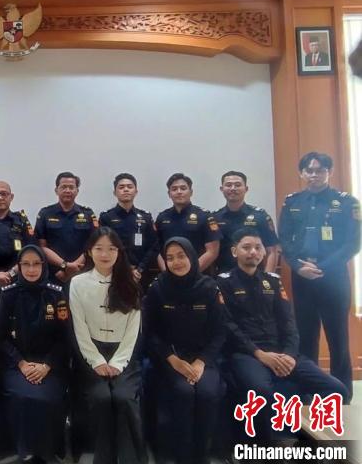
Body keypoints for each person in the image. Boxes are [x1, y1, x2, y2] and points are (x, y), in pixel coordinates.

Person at [218, 229, 349, 441]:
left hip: (283, 352)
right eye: (246, 247)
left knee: (336, 390)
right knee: (260, 392)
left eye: (258, 247)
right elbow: (229, 327)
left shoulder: (273, 280)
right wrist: (260, 354)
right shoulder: (223, 283)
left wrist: (289, 354)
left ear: (264, 252)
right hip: (248, 354)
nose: (253, 252)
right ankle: (268, 446)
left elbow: (288, 323)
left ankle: (307, 440)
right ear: (234, 251)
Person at [278, 151, 361, 399]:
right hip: (302, 276)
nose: (314, 175)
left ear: (329, 172)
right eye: (309, 170)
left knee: (338, 337)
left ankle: (342, 392)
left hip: (333, 278)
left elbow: (353, 243)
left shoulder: (346, 202)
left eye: (320, 170)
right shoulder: (292, 202)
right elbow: (285, 240)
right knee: (305, 337)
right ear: (302, 173)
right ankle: (309, 391)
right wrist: (297, 266)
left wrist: (324, 267)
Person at [142, 237, 226, 464]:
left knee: (208, 392)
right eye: (170, 258)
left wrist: (201, 361)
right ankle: (181, 455)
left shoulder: (209, 287)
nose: (176, 262)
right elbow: (149, 332)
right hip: (169, 357)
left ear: (192, 256)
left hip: (203, 358)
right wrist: (173, 360)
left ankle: (201, 455)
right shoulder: (158, 288)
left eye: (181, 256)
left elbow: (220, 331)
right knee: (184, 392)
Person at [69, 227, 146, 464]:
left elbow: (134, 329)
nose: (105, 254)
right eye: (99, 248)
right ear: (89, 251)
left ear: (119, 252)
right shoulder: (77, 283)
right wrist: (97, 361)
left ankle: (132, 459)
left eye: (111, 249)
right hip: (90, 353)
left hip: (124, 353)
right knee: (102, 397)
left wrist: (118, 363)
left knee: (123, 397)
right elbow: (79, 328)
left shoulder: (130, 282)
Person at [0, 245, 69, 463]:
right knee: (26, 396)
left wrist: (46, 366)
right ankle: (26, 451)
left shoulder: (56, 294)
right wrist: (21, 363)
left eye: (36, 264)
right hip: (17, 365)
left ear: (44, 266)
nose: (31, 269)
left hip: (50, 366)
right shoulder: (9, 295)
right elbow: (0, 337)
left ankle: (47, 452)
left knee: (47, 397)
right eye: (25, 264)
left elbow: (65, 338)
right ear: (18, 267)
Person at [35, 171, 98, 285]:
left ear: (77, 191)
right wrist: (65, 265)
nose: (67, 190)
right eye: (63, 187)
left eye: (71, 187)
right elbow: (42, 246)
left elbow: (93, 245)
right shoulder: (45, 213)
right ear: (56, 190)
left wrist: (72, 268)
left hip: (82, 273)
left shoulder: (88, 214)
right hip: (53, 274)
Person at [99, 173, 158, 290]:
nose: (126, 189)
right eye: (121, 187)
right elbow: (105, 247)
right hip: (115, 272)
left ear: (136, 191)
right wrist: (126, 269)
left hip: (141, 274)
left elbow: (153, 246)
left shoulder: (145, 217)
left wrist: (140, 268)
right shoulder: (107, 218)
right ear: (115, 192)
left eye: (129, 187)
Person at [212, 171, 279, 273]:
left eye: (237, 185)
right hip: (224, 276)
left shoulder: (260, 216)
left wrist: (268, 278)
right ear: (222, 189)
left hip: (255, 275)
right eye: (228, 185)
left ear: (246, 189)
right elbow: (212, 251)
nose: (233, 188)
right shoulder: (215, 218)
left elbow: (271, 251)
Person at [155, 173, 221, 273]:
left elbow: (212, 251)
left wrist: (191, 273)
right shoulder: (162, 218)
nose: (179, 192)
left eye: (183, 188)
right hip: (170, 276)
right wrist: (167, 272)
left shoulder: (205, 216)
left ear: (191, 192)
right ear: (169, 194)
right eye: (174, 189)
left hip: (199, 275)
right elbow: (157, 249)